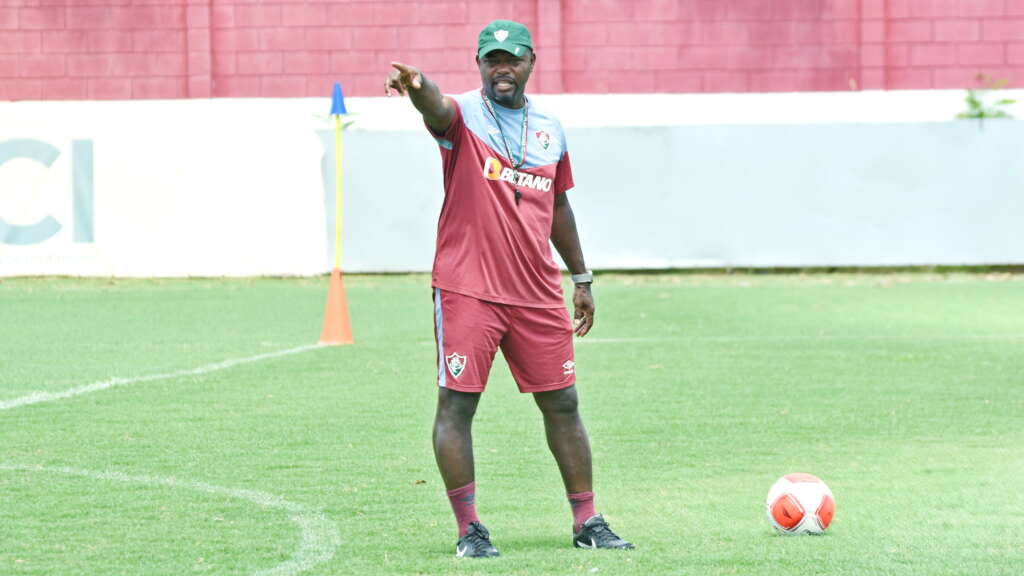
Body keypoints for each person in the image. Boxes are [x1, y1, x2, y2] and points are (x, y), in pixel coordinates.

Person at [385, 19, 633, 559]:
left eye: (512, 58)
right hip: (468, 288)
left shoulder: (550, 126)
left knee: (563, 403)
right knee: (457, 404)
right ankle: (469, 529)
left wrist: (582, 277)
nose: (502, 68)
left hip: (537, 291)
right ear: (479, 65)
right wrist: (417, 84)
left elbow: (558, 205)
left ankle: (587, 519)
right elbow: (436, 108)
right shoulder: (463, 118)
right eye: (492, 59)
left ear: (530, 62)